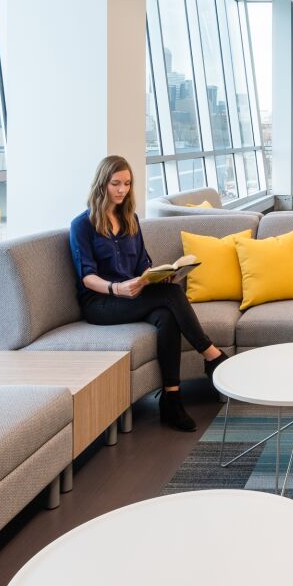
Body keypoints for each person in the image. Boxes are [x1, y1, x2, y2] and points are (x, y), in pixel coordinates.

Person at [68, 155, 227, 432]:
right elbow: (87, 276)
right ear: (101, 184)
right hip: (102, 302)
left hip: (133, 295)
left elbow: (143, 263)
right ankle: (213, 355)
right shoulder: (82, 225)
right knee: (172, 296)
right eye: (115, 183)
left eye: (127, 184)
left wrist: (159, 275)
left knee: (167, 314)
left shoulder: (130, 219)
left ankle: (172, 398)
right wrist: (116, 287)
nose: (122, 190)